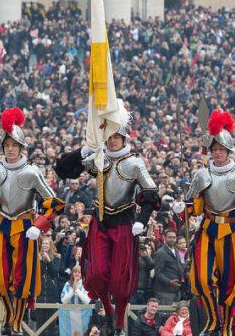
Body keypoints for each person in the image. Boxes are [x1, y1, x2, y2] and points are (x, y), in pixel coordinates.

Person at [56, 103, 160, 336]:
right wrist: (85, 150)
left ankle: (119, 321)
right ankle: (108, 308)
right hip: (100, 223)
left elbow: (152, 195)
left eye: (116, 136)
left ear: (123, 138)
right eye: (109, 136)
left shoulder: (134, 163)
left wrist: (141, 221)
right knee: (94, 274)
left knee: (119, 280)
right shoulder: (98, 158)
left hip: (124, 223)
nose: (112, 140)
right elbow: (62, 169)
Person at [173, 110, 235, 336]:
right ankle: (214, 319)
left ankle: (225, 327)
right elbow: (193, 206)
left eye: (221, 149)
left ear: (228, 151)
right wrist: (181, 208)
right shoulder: (201, 175)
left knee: (229, 284)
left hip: (232, 231)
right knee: (203, 280)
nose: (218, 153)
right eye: (215, 149)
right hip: (207, 229)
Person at [0, 107, 65, 336]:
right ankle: (8, 316)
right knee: (0, 277)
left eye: (14, 145)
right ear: (3, 148)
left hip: (26, 227)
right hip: (1, 225)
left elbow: (53, 203)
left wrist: (39, 226)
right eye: (7, 145)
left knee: (23, 278)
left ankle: (15, 322)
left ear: (21, 147)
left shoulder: (32, 172)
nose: (11, 149)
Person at [35, 235, 62, 335]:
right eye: (43, 243)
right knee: (40, 325)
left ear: (51, 245)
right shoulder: (37, 257)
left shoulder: (57, 257)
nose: (44, 245)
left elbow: (54, 273)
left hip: (52, 294)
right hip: (40, 293)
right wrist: (41, 260)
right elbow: (39, 273)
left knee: (51, 326)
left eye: (47, 243)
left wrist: (49, 261)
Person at [153, 228, 183, 304]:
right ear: (165, 238)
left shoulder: (176, 250)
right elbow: (158, 272)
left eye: (174, 237)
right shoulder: (161, 252)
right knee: (165, 314)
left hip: (176, 290)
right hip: (164, 291)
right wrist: (169, 282)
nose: (172, 239)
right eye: (170, 237)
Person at [60, 265, 92, 336]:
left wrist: (77, 290)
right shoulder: (67, 284)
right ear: (72, 274)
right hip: (69, 316)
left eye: (79, 272)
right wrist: (72, 290)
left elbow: (87, 301)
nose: (77, 273)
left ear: (82, 274)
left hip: (83, 315)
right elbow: (63, 300)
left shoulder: (85, 285)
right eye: (75, 272)